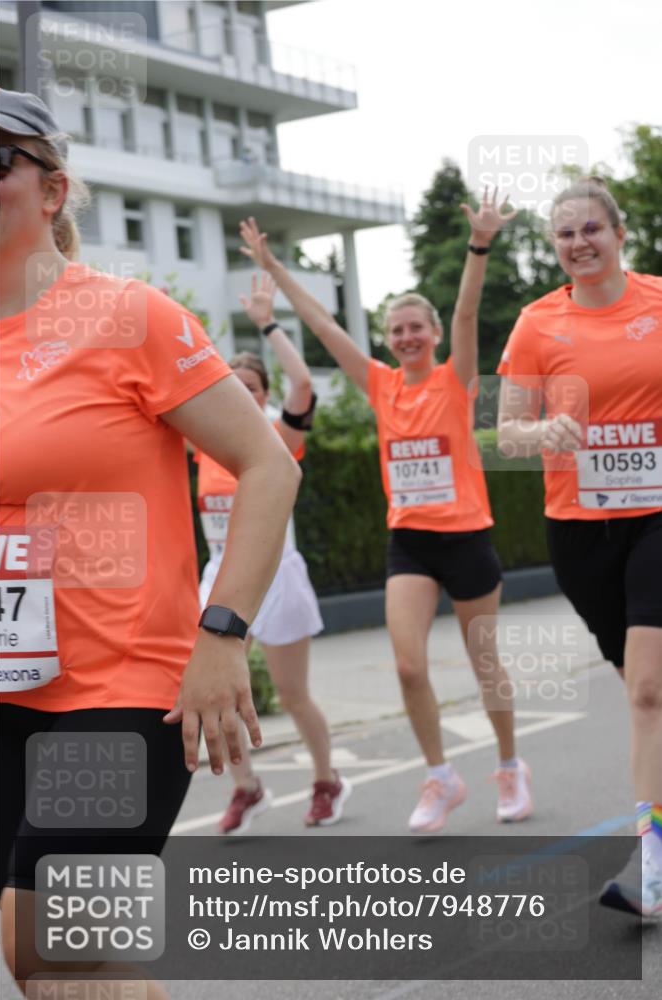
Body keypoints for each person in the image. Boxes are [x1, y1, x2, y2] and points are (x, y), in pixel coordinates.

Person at [0, 88, 300, 997]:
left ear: (52, 192)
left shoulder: (132, 316)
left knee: (59, 947)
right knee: (40, 956)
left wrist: (222, 635)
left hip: (122, 681)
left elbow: (267, 467)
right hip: (11, 684)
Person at [238, 194, 533, 834]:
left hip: (468, 538)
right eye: (395, 330)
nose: (405, 338)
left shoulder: (457, 381)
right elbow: (322, 326)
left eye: (414, 329)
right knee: (407, 664)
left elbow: (468, 309)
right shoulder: (380, 383)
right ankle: (441, 776)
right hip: (411, 543)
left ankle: (510, 764)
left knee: (486, 666)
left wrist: (478, 245)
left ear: (431, 335)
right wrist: (274, 271)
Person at [497, 176, 662, 919]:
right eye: (564, 234)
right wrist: (542, 432)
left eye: (590, 228)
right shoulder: (536, 324)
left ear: (618, 233)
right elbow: (505, 431)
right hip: (579, 530)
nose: (577, 243)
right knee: (643, 684)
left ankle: (650, 859)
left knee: (646, 689)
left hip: (658, 517)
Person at [194, 272, 351, 832]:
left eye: (253, 389)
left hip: (276, 574)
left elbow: (304, 383)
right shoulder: (202, 440)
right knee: (215, 689)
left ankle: (327, 779)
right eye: (231, 387)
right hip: (219, 574)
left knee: (291, 692)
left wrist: (267, 321)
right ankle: (247, 788)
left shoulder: (273, 439)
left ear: (261, 396)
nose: (243, 396)